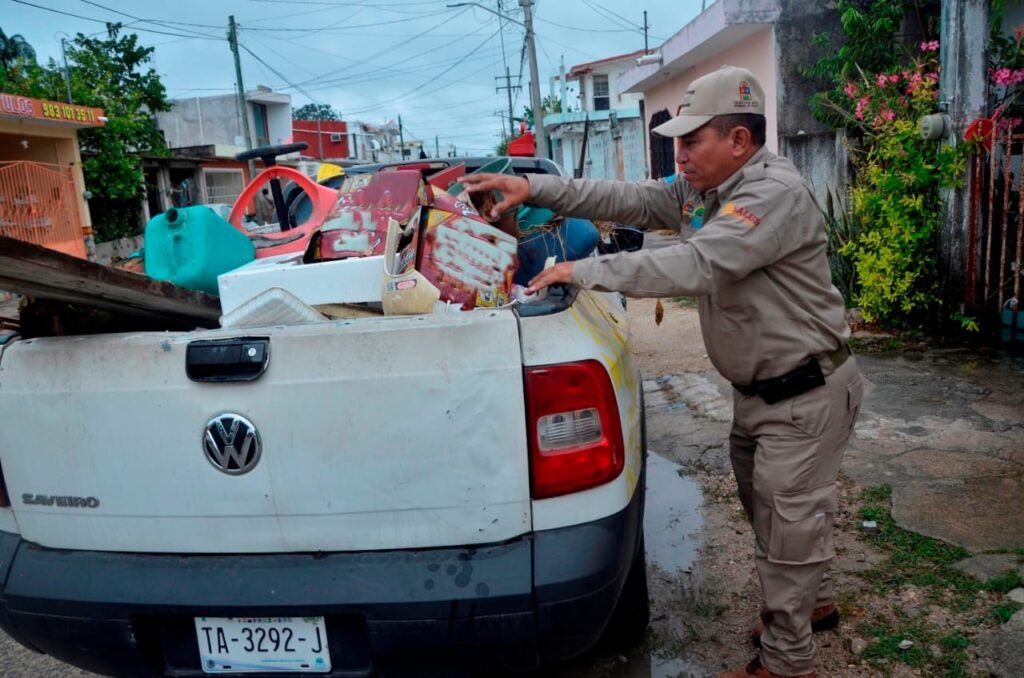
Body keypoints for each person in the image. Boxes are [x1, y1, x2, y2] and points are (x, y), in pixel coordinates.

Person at [462, 65, 863, 678]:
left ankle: (787, 661)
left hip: (804, 394)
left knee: (786, 522)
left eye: (691, 139)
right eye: (676, 139)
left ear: (738, 140)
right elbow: (630, 200)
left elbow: (698, 265)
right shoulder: (706, 192)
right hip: (762, 393)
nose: (678, 153)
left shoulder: (769, 195)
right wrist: (534, 189)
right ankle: (811, 604)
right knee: (776, 515)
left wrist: (586, 271)